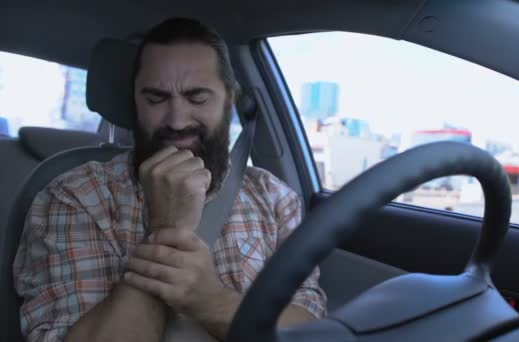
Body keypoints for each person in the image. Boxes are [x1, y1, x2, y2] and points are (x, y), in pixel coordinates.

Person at [13, 17, 326, 342]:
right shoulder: (73, 197)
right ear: (134, 101)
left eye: (197, 98)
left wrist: (210, 301)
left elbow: (311, 329)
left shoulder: (275, 198)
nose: (177, 121)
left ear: (230, 99)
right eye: (156, 99)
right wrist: (167, 230)